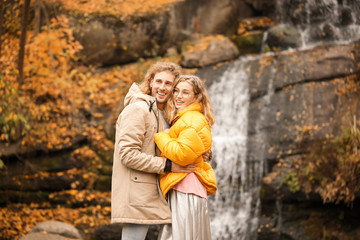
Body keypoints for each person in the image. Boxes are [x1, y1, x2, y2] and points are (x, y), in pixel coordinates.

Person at [111, 62, 195, 240]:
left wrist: (200, 152)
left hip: (157, 190)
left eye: (168, 84)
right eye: (159, 81)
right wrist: (167, 166)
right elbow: (127, 154)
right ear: (150, 82)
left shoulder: (164, 114)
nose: (162, 87)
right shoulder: (138, 109)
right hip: (137, 193)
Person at [154, 75, 217, 240]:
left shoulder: (191, 119)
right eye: (176, 91)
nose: (178, 96)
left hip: (186, 187)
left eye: (185, 92)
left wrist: (161, 136)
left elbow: (182, 155)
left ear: (196, 97)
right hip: (184, 186)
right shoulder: (183, 118)